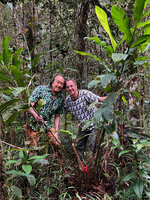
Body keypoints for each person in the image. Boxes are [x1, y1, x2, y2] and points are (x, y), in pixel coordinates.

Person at [64, 79, 107, 156]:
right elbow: (62, 111)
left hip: (95, 123)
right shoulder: (68, 101)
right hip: (83, 126)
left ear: (76, 86)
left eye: (71, 86)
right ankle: (82, 164)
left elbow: (99, 99)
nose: (70, 88)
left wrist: (113, 97)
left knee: (94, 146)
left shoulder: (85, 94)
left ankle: (96, 162)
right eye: (67, 87)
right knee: (79, 146)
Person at [25, 74, 65, 149]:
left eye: (61, 84)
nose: (59, 85)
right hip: (33, 124)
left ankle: (58, 159)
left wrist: (56, 132)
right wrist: (35, 116)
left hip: (46, 124)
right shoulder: (41, 89)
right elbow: (29, 106)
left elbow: (57, 116)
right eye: (58, 82)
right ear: (52, 82)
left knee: (57, 144)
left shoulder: (60, 99)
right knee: (33, 148)